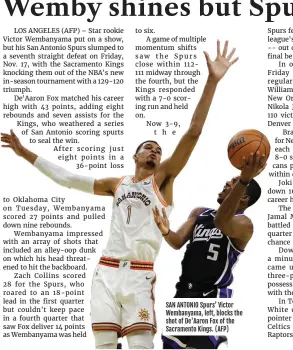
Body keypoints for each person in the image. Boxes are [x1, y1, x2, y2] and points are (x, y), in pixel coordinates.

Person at [1, 40, 238, 349]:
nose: (155, 151)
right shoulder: (117, 184)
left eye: (158, 150)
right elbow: (69, 179)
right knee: (104, 345)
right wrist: (25, 153)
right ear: (135, 156)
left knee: (141, 344)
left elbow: (192, 132)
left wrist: (212, 80)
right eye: (148, 148)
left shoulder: (164, 179)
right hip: (106, 271)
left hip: (139, 274)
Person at [153, 152, 266, 349]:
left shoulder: (244, 224)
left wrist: (245, 178)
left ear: (244, 196)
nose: (227, 183)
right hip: (183, 292)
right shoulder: (200, 213)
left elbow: (221, 221)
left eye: (234, 181)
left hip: (210, 297)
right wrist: (165, 231)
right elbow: (178, 241)